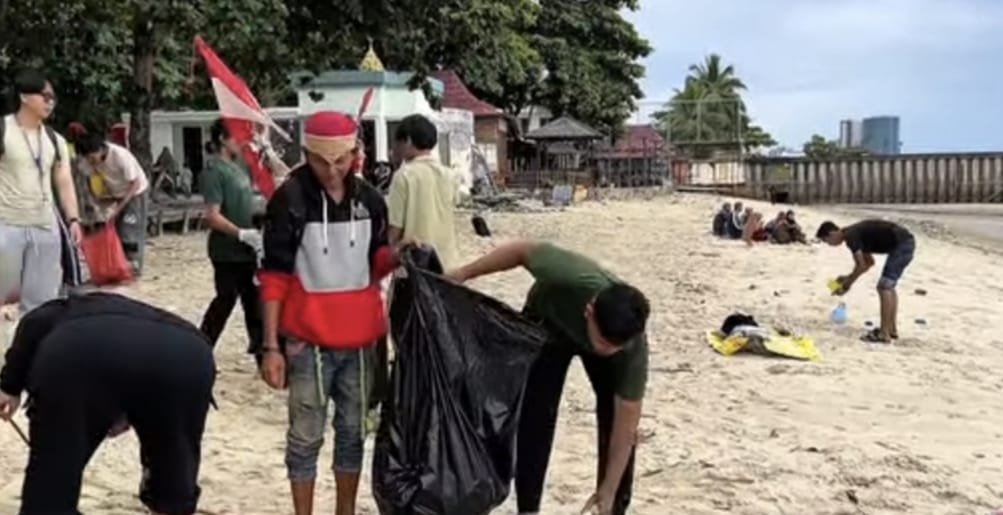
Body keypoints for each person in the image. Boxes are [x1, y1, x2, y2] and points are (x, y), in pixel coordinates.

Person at [257, 111, 408, 515]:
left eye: (340, 159)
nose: (331, 169)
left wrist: (395, 256)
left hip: (362, 340)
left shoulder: (372, 201)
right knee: (304, 438)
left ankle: (345, 510)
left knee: (352, 434)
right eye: (321, 160)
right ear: (307, 153)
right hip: (307, 342)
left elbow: (372, 264)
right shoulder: (288, 200)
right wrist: (271, 347)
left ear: (356, 153)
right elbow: (273, 277)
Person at [446, 241, 650, 515]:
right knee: (535, 415)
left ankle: (610, 507)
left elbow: (626, 429)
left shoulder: (630, 347)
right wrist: (462, 274)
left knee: (614, 423)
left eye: (616, 348)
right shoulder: (570, 274)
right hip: (549, 322)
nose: (608, 351)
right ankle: (528, 508)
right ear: (588, 312)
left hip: (600, 332)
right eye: (603, 344)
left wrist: (609, 489)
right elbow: (520, 251)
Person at [0, 292, 216, 515]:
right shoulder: (173, 329)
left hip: (80, 353)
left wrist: (10, 385)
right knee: (174, 455)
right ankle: (173, 504)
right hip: (187, 355)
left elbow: (34, 320)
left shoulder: (68, 310)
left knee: (54, 472)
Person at [0, 69, 83, 316]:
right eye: (44, 95)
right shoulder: (3, 129)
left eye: (53, 97)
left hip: (45, 228)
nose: (50, 102)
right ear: (25, 97)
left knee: (42, 306)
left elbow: (64, 182)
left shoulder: (54, 139)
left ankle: (32, 352)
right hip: (7, 226)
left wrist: (74, 219)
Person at [198, 119, 271, 367]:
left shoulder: (240, 165)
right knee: (225, 299)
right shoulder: (213, 171)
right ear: (222, 139)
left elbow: (269, 174)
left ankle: (262, 352)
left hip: (248, 249)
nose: (241, 141)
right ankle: (201, 345)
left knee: (254, 300)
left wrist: (264, 144)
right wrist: (240, 233)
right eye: (236, 136)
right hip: (226, 250)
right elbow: (212, 215)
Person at [816, 219, 916, 343]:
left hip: (902, 244)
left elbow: (861, 265)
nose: (829, 245)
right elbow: (869, 263)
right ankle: (891, 330)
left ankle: (884, 334)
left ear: (831, 234)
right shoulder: (853, 233)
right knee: (888, 287)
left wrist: (847, 285)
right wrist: (848, 277)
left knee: (884, 287)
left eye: (827, 241)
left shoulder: (851, 236)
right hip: (905, 241)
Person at [386, 113, 459, 268]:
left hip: (418, 262)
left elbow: (395, 228)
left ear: (408, 141)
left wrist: (389, 255)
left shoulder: (404, 176)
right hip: (448, 261)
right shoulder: (449, 175)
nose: (395, 149)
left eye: (398, 143)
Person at [74, 131, 150, 274]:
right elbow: (90, 181)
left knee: (129, 228)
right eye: (87, 159)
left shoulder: (120, 156)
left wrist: (119, 207)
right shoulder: (87, 161)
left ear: (101, 149)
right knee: (114, 229)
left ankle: (133, 266)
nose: (91, 162)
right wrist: (99, 201)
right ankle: (117, 265)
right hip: (115, 192)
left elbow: (135, 183)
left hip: (135, 192)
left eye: (92, 157)